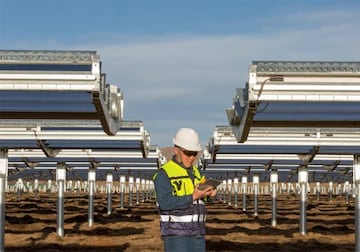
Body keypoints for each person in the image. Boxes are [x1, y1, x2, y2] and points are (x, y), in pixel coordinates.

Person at [153, 128, 217, 252]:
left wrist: (210, 195)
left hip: (198, 234)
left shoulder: (196, 172)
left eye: (195, 153)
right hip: (177, 236)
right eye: (188, 153)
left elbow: (201, 199)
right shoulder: (164, 174)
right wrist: (192, 196)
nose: (192, 157)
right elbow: (165, 202)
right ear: (176, 150)